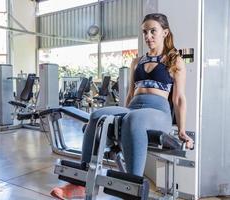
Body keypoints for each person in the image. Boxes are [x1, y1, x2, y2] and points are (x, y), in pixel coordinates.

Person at [50, 13, 194, 200]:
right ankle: (79, 183)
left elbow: (179, 98)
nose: (148, 36)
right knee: (97, 115)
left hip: (158, 112)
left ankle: (131, 188)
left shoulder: (174, 60)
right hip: (134, 108)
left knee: (134, 119)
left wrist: (182, 130)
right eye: (145, 32)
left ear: (165, 32)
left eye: (153, 31)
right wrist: (121, 117)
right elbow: (130, 94)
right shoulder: (138, 61)